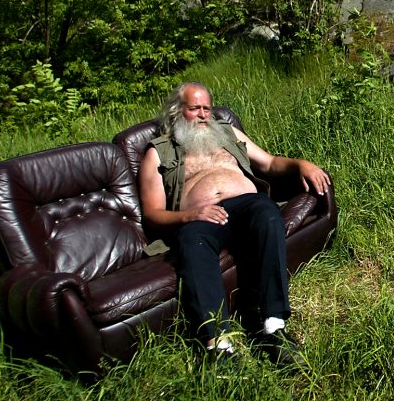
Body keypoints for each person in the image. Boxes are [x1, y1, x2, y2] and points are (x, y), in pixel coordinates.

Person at [138, 81, 330, 366]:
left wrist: (301, 164)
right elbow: (153, 213)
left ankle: (273, 327)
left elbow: (270, 163)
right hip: (199, 216)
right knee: (192, 244)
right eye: (194, 108)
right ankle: (219, 347)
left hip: (247, 205)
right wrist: (190, 215)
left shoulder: (227, 133)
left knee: (267, 214)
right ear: (178, 112)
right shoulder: (159, 153)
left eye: (207, 108)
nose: (203, 114)